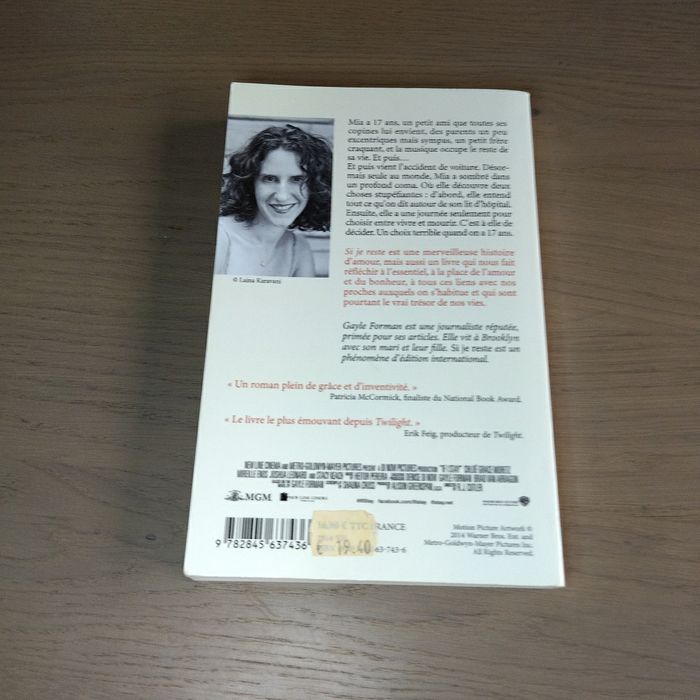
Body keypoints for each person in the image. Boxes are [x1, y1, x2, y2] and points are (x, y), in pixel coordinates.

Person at [214, 124, 332, 277]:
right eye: (269, 179)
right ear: (251, 182)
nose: (282, 196)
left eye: (297, 179)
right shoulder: (221, 236)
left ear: (315, 186)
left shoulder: (297, 248)